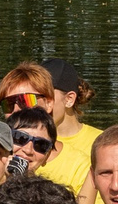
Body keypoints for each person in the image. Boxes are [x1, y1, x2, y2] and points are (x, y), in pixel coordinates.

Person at [38, 59, 98, 192]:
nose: (37, 104)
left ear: (69, 99)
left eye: (45, 97)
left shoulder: (101, 141)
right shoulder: (24, 142)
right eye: (33, 97)